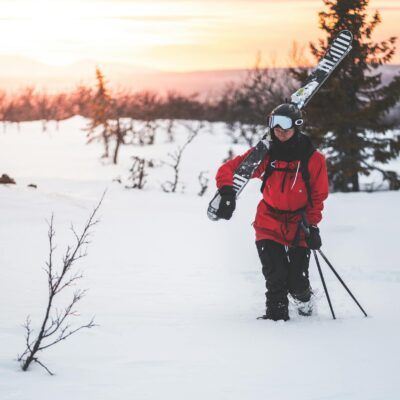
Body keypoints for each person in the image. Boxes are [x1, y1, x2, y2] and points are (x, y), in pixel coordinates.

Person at [214, 103, 329, 321]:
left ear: (297, 126)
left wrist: (313, 226)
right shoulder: (265, 154)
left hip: (299, 222)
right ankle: (275, 319)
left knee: (296, 281)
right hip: (269, 221)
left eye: (285, 125)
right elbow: (228, 169)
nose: (279, 130)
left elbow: (318, 197)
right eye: (274, 124)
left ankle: (304, 300)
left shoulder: (313, 159)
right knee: (276, 276)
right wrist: (227, 191)